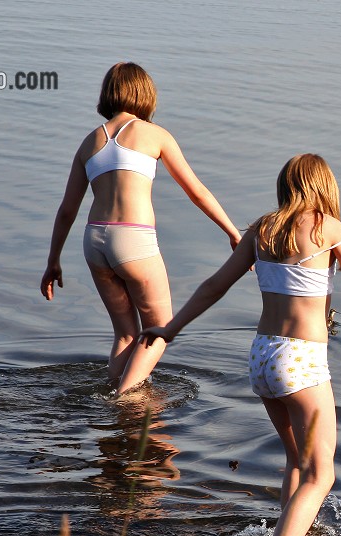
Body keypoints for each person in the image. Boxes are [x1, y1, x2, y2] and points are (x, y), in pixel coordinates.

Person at [141, 154, 341, 536]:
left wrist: (171, 329)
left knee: (296, 463)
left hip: (262, 356)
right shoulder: (327, 228)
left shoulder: (261, 230)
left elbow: (214, 285)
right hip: (301, 360)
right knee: (322, 474)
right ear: (324, 186)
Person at [40, 62, 241, 394]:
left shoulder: (89, 142)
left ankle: (112, 391)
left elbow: (66, 211)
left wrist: (53, 261)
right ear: (145, 94)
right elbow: (196, 191)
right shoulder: (154, 134)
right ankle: (122, 400)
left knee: (125, 335)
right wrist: (232, 231)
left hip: (95, 240)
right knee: (160, 329)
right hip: (133, 239)